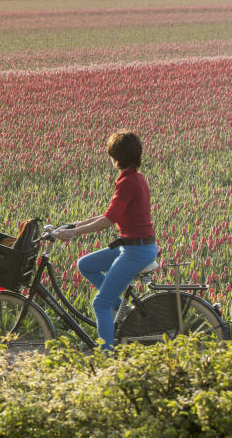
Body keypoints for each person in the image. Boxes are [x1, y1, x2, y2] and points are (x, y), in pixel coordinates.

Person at [54, 130, 157, 350]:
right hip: (135, 246)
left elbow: (108, 220)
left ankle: (106, 358)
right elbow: (108, 214)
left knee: (100, 303)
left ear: (116, 158)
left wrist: (73, 234)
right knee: (85, 264)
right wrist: (73, 226)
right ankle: (121, 309)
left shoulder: (128, 182)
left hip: (135, 252)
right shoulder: (134, 178)